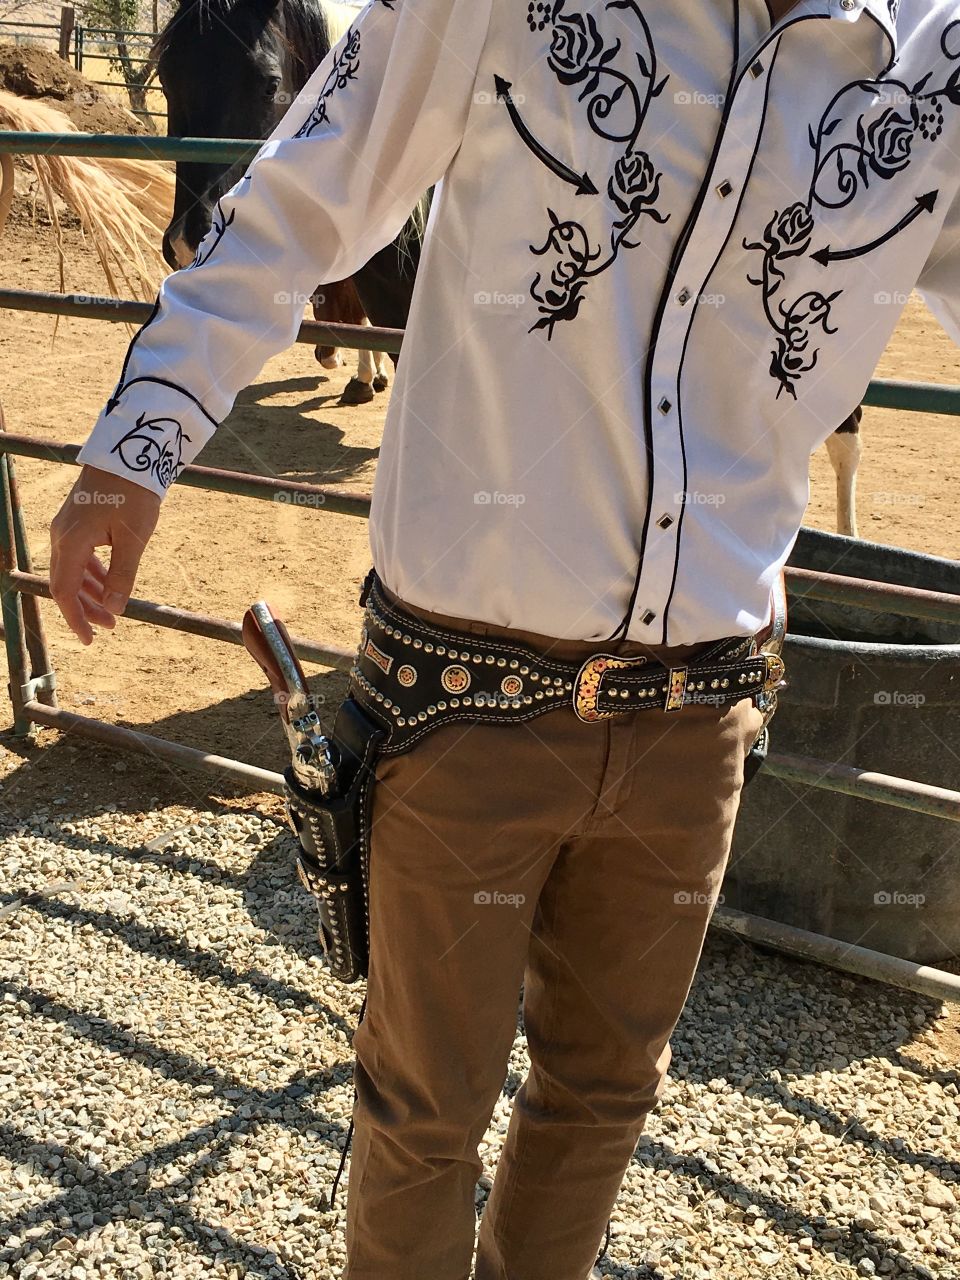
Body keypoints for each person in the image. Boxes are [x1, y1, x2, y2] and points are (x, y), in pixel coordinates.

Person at [48, 1, 960, 1276]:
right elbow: (317, 173)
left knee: (602, 1097)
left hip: (703, 707)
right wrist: (135, 445)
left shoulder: (933, 59)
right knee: (423, 1109)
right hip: (464, 693)